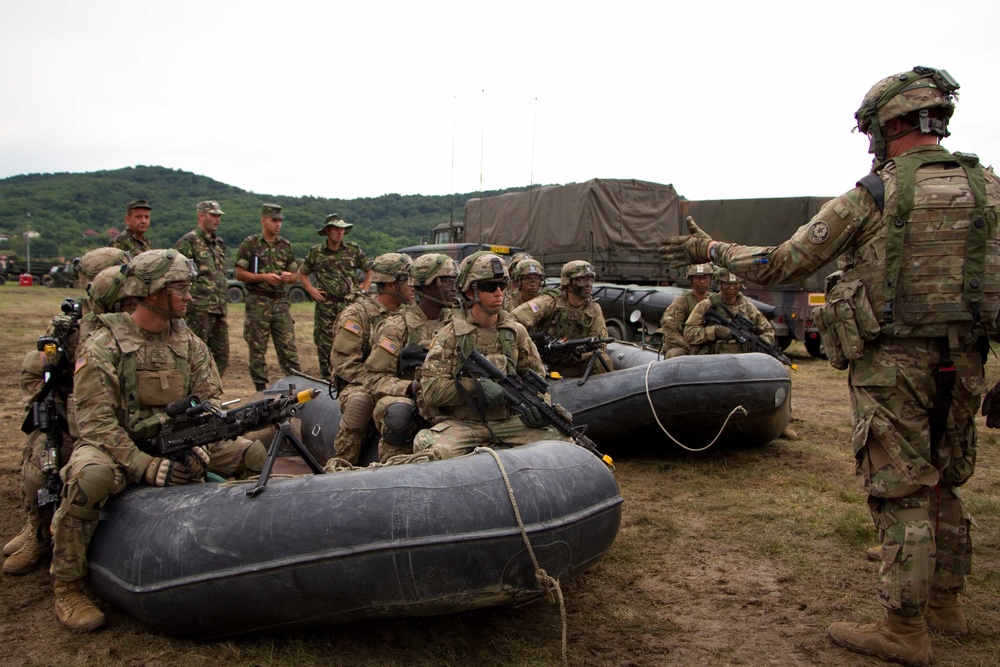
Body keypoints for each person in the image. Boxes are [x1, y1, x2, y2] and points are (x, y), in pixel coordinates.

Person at [659, 66, 998, 666]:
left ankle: (904, 626)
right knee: (946, 475)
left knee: (901, 487)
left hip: (893, 366)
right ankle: (947, 603)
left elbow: (779, 263)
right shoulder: (990, 190)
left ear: (888, 124)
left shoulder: (877, 194)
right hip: (966, 362)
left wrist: (708, 248)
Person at [48, 249, 267, 632]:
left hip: (177, 441)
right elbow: (96, 423)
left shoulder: (189, 342)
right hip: (117, 446)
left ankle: (248, 553)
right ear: (151, 292)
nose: (189, 296)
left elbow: (208, 398)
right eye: (180, 288)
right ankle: (67, 585)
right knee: (90, 478)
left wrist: (199, 441)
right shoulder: (103, 345)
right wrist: (144, 465)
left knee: (252, 454)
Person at [3, 249, 134, 575]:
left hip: (125, 420)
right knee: (41, 457)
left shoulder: (145, 321)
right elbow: (36, 373)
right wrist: (57, 412)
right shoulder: (71, 328)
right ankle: (37, 531)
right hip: (78, 419)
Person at [413, 252, 569, 460]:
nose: (498, 293)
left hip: (509, 422)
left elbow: (538, 379)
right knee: (433, 452)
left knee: (564, 445)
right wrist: (475, 387)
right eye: (489, 287)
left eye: (502, 286)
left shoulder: (516, 332)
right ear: (470, 293)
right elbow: (431, 390)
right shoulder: (450, 336)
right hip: (464, 425)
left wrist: (538, 408)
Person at [363, 253, 458, 461]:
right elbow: (373, 378)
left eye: (454, 280)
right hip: (409, 398)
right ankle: (391, 468)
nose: (453, 287)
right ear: (426, 286)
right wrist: (409, 388)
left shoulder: (458, 324)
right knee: (399, 416)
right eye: (446, 281)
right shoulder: (397, 326)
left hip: (448, 396)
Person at [329, 253, 414, 464]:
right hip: (361, 383)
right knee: (360, 402)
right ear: (391, 286)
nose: (413, 286)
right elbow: (345, 364)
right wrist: (383, 383)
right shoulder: (357, 315)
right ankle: (345, 460)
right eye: (407, 281)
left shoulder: (411, 315)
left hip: (398, 382)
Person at [234, 203, 302, 391]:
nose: (278, 224)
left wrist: (290, 278)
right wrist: (263, 277)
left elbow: (295, 274)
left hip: (280, 302)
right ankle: (260, 388)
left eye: (280, 220)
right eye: (274, 220)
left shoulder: (285, 246)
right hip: (258, 301)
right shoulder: (251, 244)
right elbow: (239, 274)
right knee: (257, 348)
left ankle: (296, 385)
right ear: (263, 220)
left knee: (288, 347)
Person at [299, 213, 372, 380]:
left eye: (342, 229)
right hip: (326, 305)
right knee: (324, 343)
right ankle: (327, 379)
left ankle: (349, 376)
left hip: (349, 306)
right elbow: (302, 273)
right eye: (336, 229)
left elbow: (369, 269)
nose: (340, 232)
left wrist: (364, 290)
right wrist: (311, 289)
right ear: (327, 231)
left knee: (353, 341)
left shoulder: (353, 250)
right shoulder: (316, 253)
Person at [512, 260, 612, 378]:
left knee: (603, 359)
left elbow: (600, 342)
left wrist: (579, 353)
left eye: (590, 279)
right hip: (543, 362)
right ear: (568, 283)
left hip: (573, 363)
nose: (588, 284)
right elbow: (514, 320)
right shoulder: (549, 302)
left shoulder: (593, 309)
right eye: (581, 280)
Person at [174, 201, 230, 376]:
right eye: (213, 215)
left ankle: (210, 393)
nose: (217, 219)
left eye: (219, 216)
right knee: (194, 356)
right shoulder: (189, 241)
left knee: (221, 356)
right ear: (201, 216)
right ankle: (191, 396)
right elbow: (179, 275)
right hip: (198, 309)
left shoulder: (218, 243)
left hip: (218, 309)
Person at [683, 269, 774, 354]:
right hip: (712, 359)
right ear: (720, 284)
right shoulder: (706, 306)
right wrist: (715, 331)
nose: (731, 288)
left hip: (741, 359)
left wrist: (760, 343)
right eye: (727, 284)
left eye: (735, 284)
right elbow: (688, 335)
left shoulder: (748, 307)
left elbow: (767, 331)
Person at [657, 263, 715, 358]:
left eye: (705, 278)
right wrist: (686, 347)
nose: (702, 281)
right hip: (687, 343)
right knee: (674, 354)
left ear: (711, 279)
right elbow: (670, 328)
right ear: (691, 280)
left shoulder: (715, 300)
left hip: (709, 342)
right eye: (698, 278)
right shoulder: (683, 301)